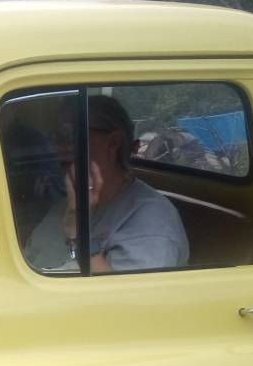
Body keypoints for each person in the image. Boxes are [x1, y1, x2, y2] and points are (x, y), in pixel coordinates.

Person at [23, 95, 189, 273]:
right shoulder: (68, 202)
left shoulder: (153, 223)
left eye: (68, 136)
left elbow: (130, 299)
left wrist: (78, 235)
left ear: (112, 144)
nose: (55, 148)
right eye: (53, 137)